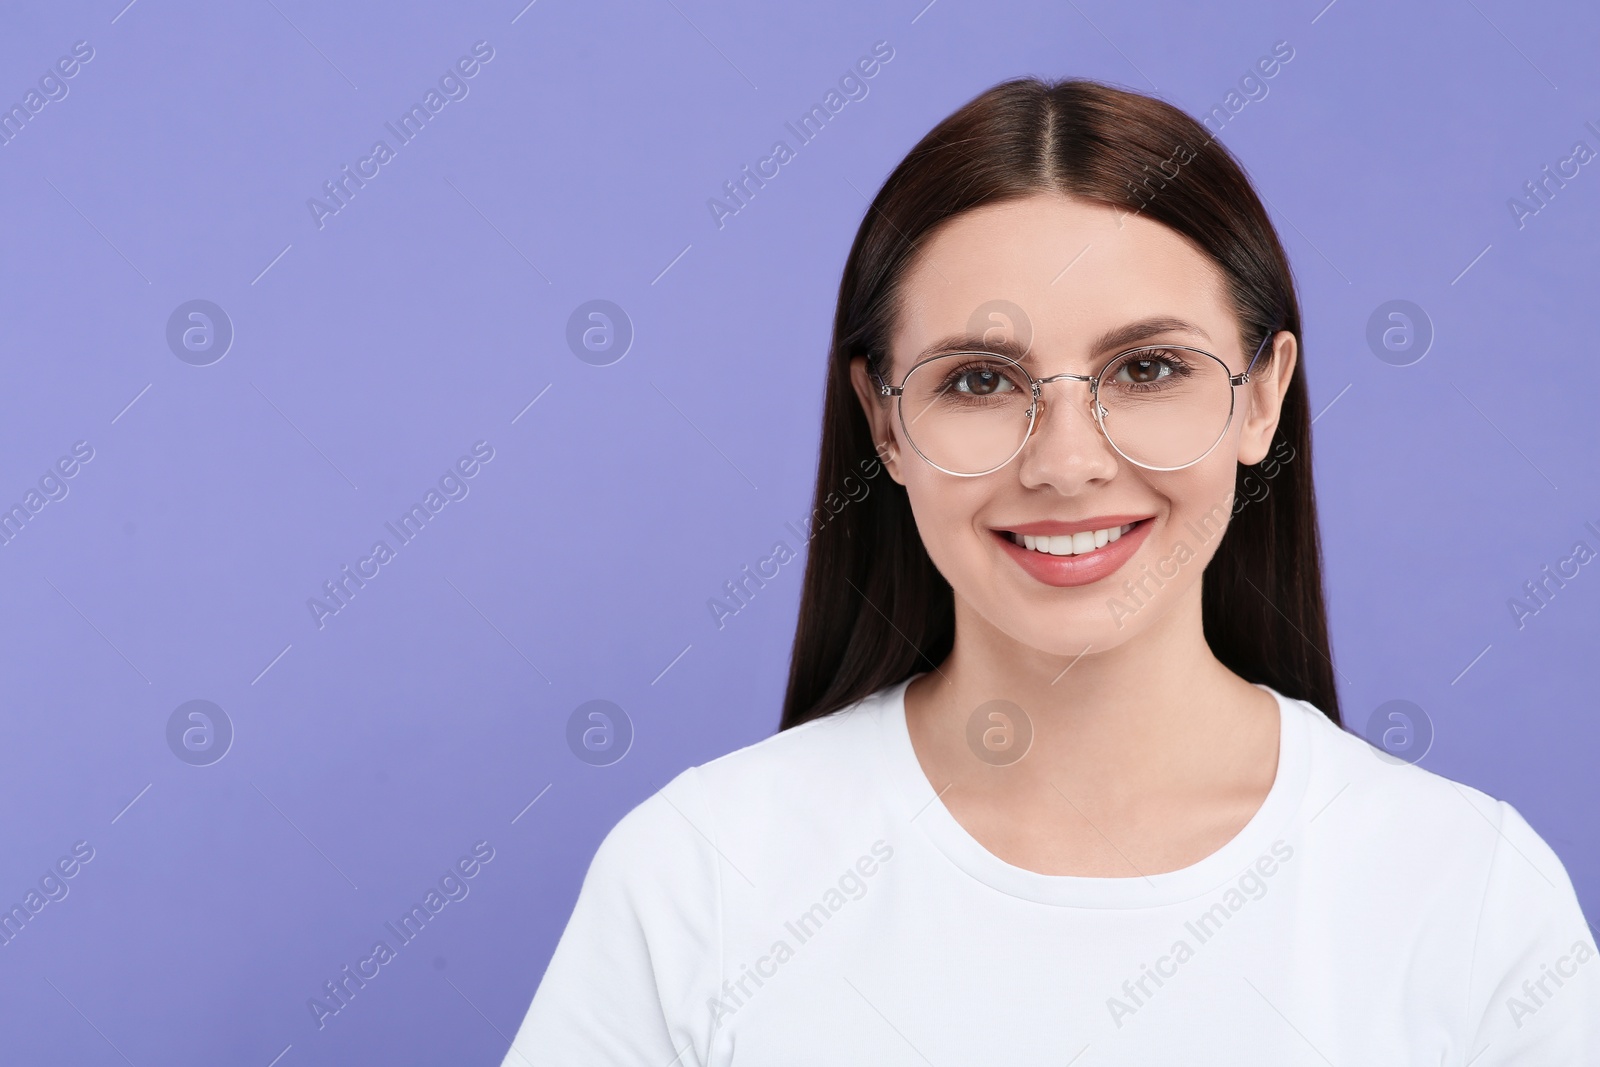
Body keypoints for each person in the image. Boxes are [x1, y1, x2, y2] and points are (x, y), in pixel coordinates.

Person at [500, 78, 1599, 1063]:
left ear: (1260, 397)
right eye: (978, 381)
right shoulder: (701, 876)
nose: (1067, 463)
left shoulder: (1466, 890)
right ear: (882, 423)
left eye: (1150, 367)